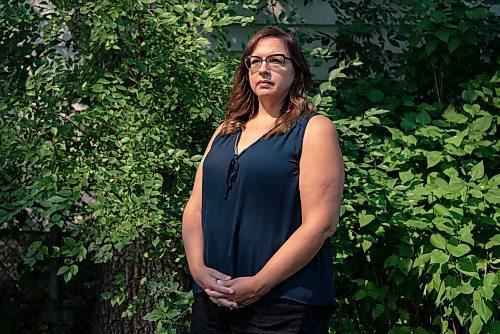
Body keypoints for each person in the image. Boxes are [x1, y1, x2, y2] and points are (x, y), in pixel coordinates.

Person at [182, 26, 344, 334]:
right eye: (254, 61)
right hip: (213, 301)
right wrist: (199, 271)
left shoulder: (313, 129)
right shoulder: (226, 130)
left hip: (283, 304)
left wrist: (258, 284)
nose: (263, 69)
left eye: (276, 60)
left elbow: (321, 224)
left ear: (296, 71)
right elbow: (195, 209)